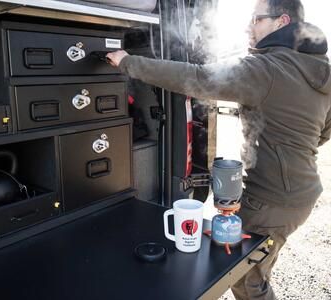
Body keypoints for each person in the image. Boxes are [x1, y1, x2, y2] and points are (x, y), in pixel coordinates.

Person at [107, 0, 330, 299]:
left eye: (256, 19)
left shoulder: (267, 69)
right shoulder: (320, 72)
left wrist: (128, 62)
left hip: (271, 200)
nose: (249, 26)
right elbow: (322, 132)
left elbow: (198, 78)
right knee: (259, 266)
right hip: (300, 195)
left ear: (281, 22)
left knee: (247, 280)